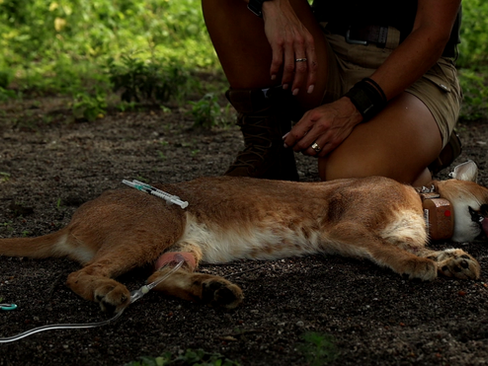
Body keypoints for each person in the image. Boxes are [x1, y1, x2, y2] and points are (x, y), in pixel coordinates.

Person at [202, 0, 462, 186]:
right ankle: (268, 150)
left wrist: (352, 108)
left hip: (412, 75)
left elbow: (433, 31)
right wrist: (274, 4)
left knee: (347, 175)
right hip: (324, 55)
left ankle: (418, 152)